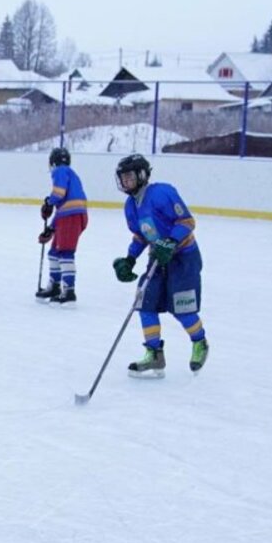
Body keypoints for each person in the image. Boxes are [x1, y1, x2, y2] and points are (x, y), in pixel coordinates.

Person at [110, 154, 208, 376]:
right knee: (144, 303)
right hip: (157, 258)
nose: (125, 182)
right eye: (122, 178)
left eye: (129, 177)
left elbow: (187, 221)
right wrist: (130, 258)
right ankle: (154, 354)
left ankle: (200, 342)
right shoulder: (130, 206)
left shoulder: (162, 192)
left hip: (184, 257)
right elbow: (141, 236)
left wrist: (171, 242)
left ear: (142, 175)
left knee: (182, 309)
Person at [37, 146, 87, 305]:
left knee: (65, 253)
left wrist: (49, 202)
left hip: (70, 217)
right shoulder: (71, 175)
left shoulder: (60, 171)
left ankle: (69, 290)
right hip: (69, 216)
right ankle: (55, 286)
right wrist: (52, 228)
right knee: (53, 252)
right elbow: (63, 207)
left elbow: (59, 193)